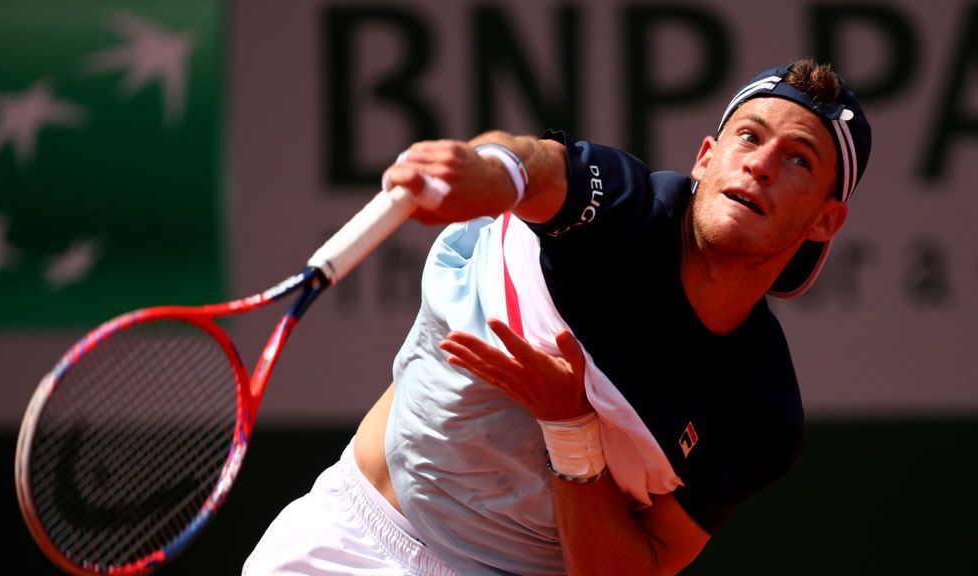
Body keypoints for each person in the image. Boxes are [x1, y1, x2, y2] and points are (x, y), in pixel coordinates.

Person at [243, 58, 871, 575]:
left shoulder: (760, 411)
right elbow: (529, 166)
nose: (760, 163)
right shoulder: (624, 204)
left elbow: (637, 570)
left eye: (799, 160)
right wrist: (481, 170)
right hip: (345, 540)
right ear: (706, 158)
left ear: (824, 220)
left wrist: (570, 427)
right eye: (749, 136)